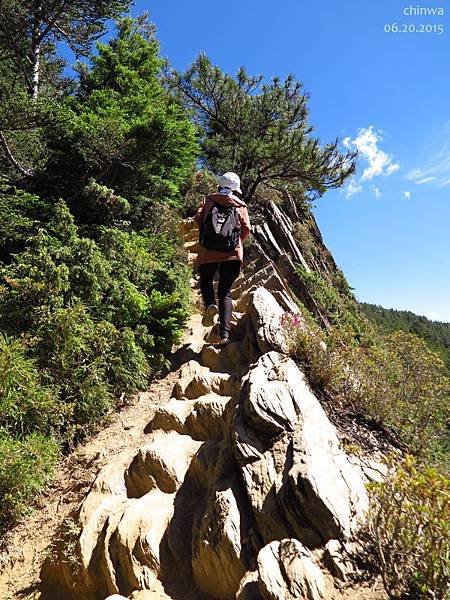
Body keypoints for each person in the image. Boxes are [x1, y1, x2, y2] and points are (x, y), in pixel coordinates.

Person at [194, 172, 251, 345]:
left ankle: (210, 303)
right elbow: (246, 229)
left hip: (208, 250)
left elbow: (199, 220)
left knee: (205, 280)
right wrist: (234, 241)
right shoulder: (240, 205)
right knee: (225, 292)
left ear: (220, 184)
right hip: (232, 253)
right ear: (235, 189)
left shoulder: (209, 200)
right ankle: (224, 335)